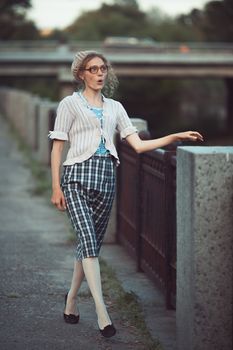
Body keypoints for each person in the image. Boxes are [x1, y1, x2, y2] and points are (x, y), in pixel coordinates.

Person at [48, 50, 203, 338]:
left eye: (102, 68)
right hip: (76, 179)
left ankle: (71, 300)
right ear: (81, 74)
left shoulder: (116, 107)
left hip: (106, 179)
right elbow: (58, 147)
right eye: (92, 69)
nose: (99, 73)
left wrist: (175, 136)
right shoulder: (69, 104)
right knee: (89, 244)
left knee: (88, 245)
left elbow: (138, 146)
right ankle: (102, 312)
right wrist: (56, 186)